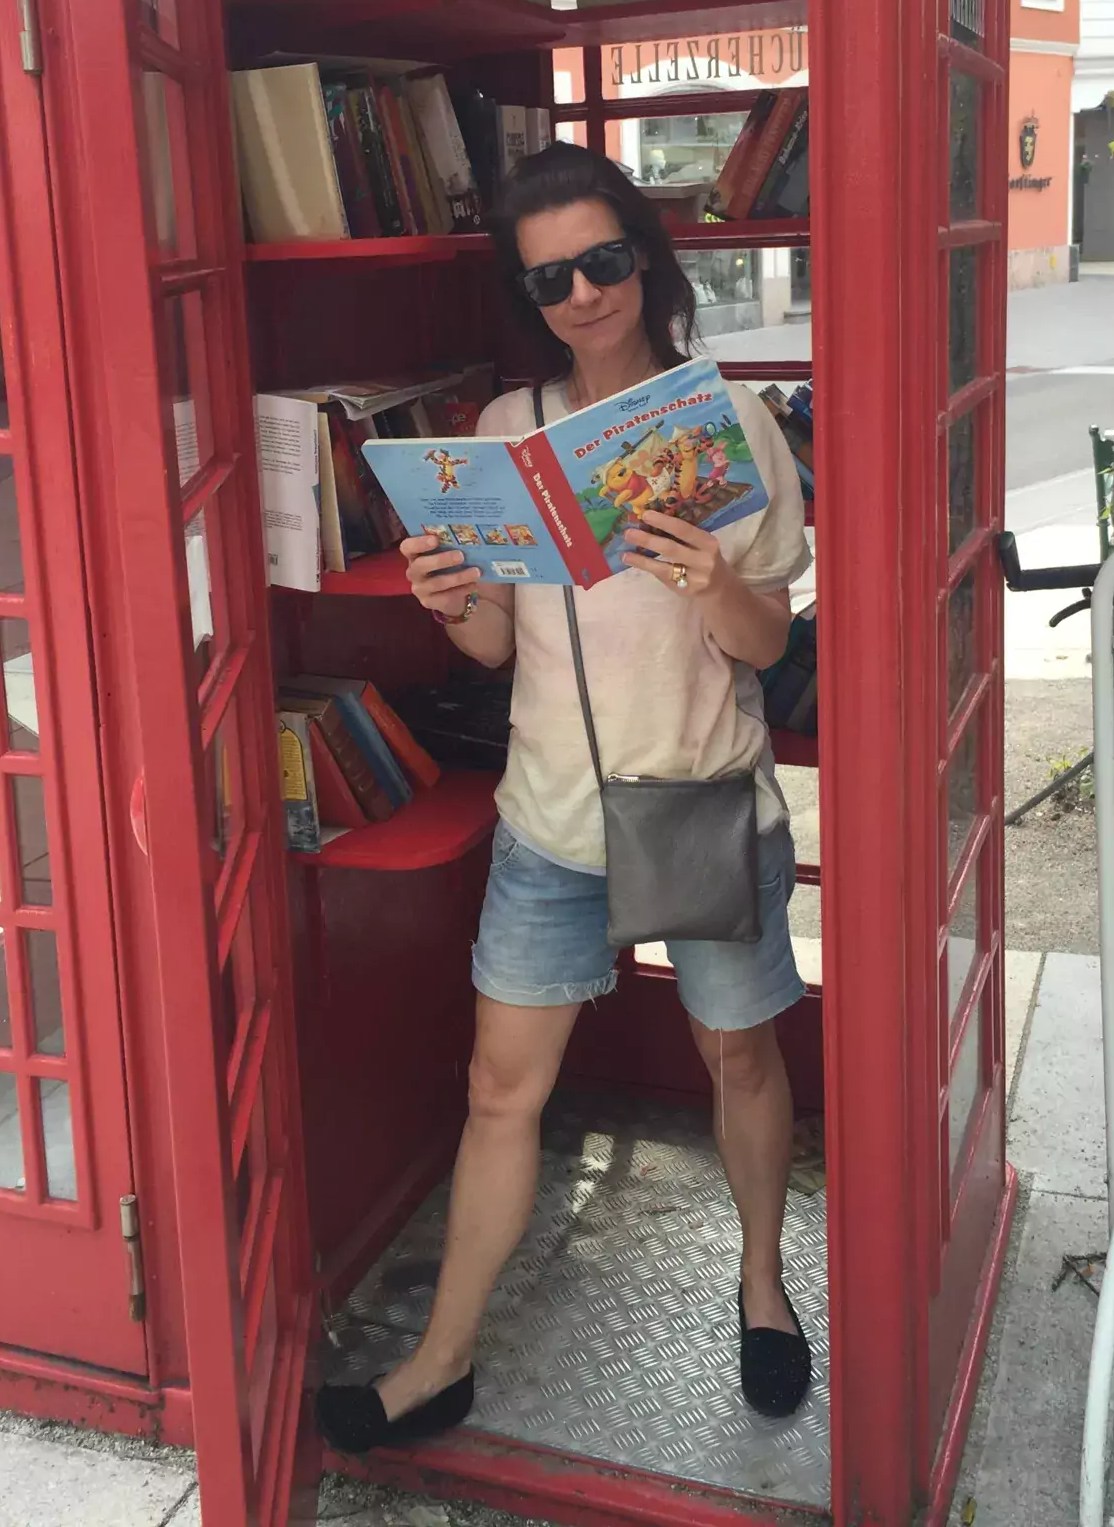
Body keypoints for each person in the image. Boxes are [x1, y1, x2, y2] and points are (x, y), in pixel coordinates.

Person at [314, 143, 814, 1455]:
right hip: (551, 817)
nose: (584, 293)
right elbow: (492, 648)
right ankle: (443, 1358)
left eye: (602, 261)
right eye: (551, 278)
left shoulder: (727, 422)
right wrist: (453, 599)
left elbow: (767, 646)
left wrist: (714, 580)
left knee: (740, 1053)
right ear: (528, 296)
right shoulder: (501, 433)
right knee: (498, 1090)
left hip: (701, 802)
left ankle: (762, 1286)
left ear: (645, 260)